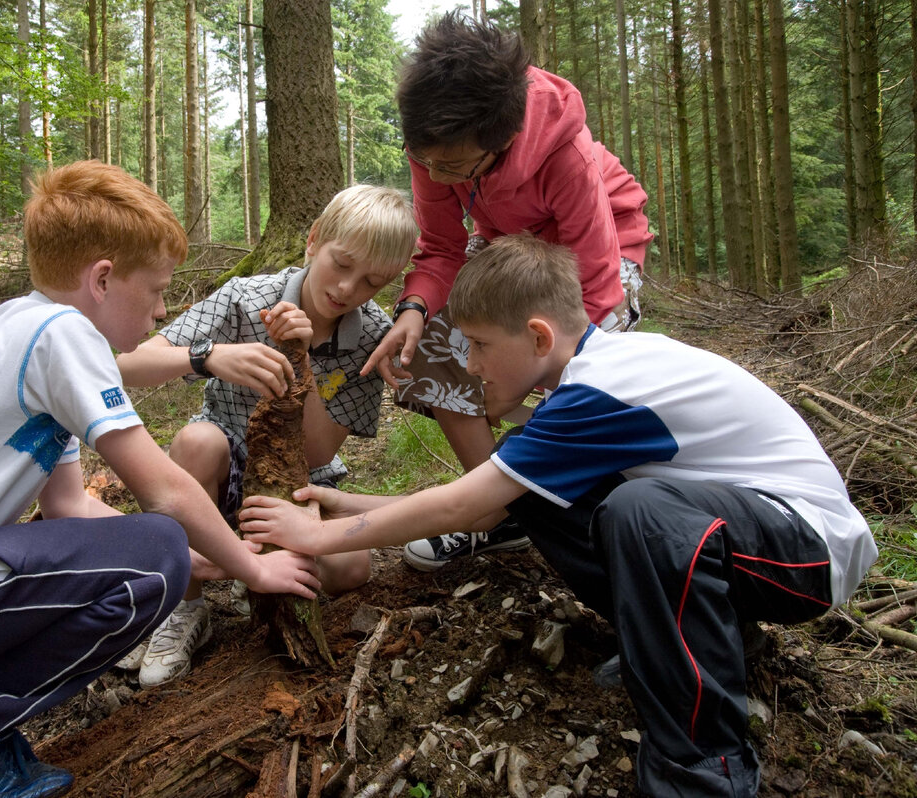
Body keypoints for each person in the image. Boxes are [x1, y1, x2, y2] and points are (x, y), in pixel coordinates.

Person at [240, 235, 878, 798]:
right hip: (743, 538)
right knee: (536, 494)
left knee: (640, 511)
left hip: (807, 550)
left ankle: (701, 770)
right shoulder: (586, 384)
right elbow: (494, 505)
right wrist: (345, 503)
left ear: (539, 336)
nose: (470, 365)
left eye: (482, 346)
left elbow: (468, 503)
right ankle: (696, 643)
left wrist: (318, 534)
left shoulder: (603, 387)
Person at [0, 161, 321, 798]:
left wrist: (192, 553)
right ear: (101, 279)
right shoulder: (63, 335)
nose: (158, 314)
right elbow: (166, 490)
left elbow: (69, 505)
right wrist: (250, 567)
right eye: (154, 292)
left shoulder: (27, 330)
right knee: (152, 554)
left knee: (157, 550)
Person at [362, 13, 654, 569]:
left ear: (500, 141)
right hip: (509, 242)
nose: (435, 174)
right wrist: (414, 307)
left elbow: (592, 281)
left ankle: (590, 512)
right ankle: (491, 509)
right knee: (433, 343)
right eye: (425, 160)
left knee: (577, 375)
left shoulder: (563, 152)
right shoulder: (437, 148)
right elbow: (443, 248)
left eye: (452, 166)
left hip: (600, 252)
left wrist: (535, 379)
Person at [114, 184, 420, 687]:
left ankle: (259, 568)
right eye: (340, 264)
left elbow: (318, 450)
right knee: (196, 443)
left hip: (305, 480)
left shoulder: (371, 337)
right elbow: (130, 364)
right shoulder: (244, 298)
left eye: (372, 282)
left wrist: (302, 359)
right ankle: (186, 608)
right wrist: (207, 356)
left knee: (350, 569)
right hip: (224, 461)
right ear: (314, 240)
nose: (347, 289)